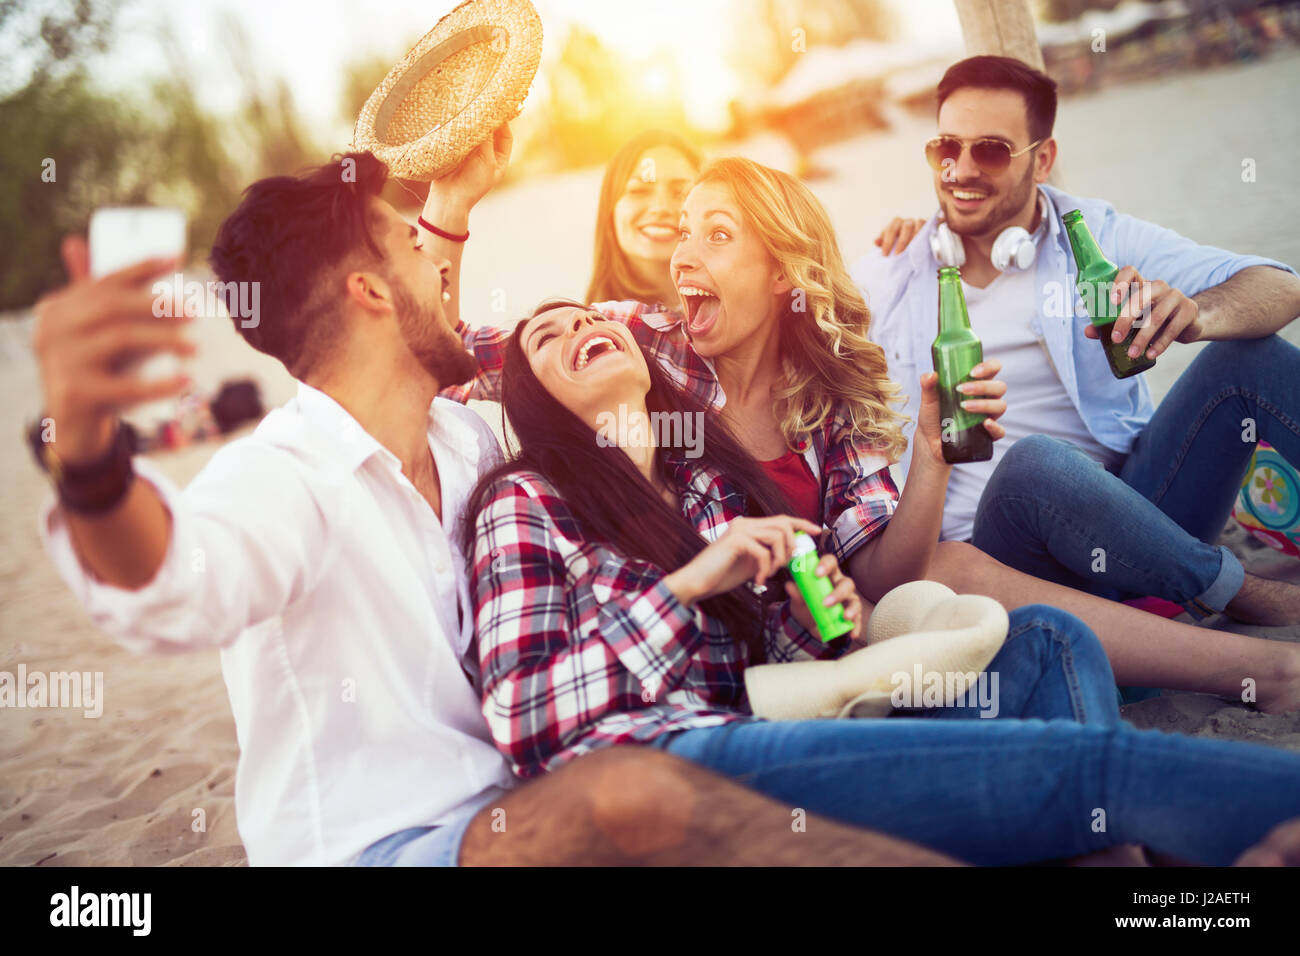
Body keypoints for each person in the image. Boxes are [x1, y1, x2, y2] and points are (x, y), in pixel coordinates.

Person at [29, 146, 968, 867]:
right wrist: (91, 459)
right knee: (634, 795)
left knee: (1026, 673)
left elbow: (539, 379)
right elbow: (169, 581)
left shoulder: (468, 444)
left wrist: (449, 203)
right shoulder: (280, 477)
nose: (441, 278)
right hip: (393, 846)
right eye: (410, 249)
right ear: (367, 290)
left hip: (521, 803)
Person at [424, 142, 1300, 712]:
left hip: (868, 605)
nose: (680, 254)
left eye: (714, 234)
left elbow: (886, 559)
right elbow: (445, 344)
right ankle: (1243, 638)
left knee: (984, 529)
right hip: (778, 644)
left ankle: (1231, 641)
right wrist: (451, 206)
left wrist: (927, 451)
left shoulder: (827, 395)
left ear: (778, 272)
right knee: (967, 568)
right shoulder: (638, 342)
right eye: (680, 234)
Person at [463, 299, 1300, 866]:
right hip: (672, 763)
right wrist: (688, 585)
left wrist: (805, 616)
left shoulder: (704, 486)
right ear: (534, 401)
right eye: (547, 339)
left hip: (763, 722)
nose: (576, 326)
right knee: (1092, 767)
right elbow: (525, 717)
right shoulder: (525, 499)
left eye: (584, 316)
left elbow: (773, 670)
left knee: (1049, 641)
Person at [854, 54, 1300, 631]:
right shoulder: (888, 272)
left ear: (1042, 160)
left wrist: (1197, 314)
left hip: (1138, 516)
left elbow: (1281, 287)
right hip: (998, 558)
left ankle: (1189, 581)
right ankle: (1235, 592)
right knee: (1034, 464)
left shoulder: (1098, 236)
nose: (959, 170)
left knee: (1251, 358)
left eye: (989, 149)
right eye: (945, 148)